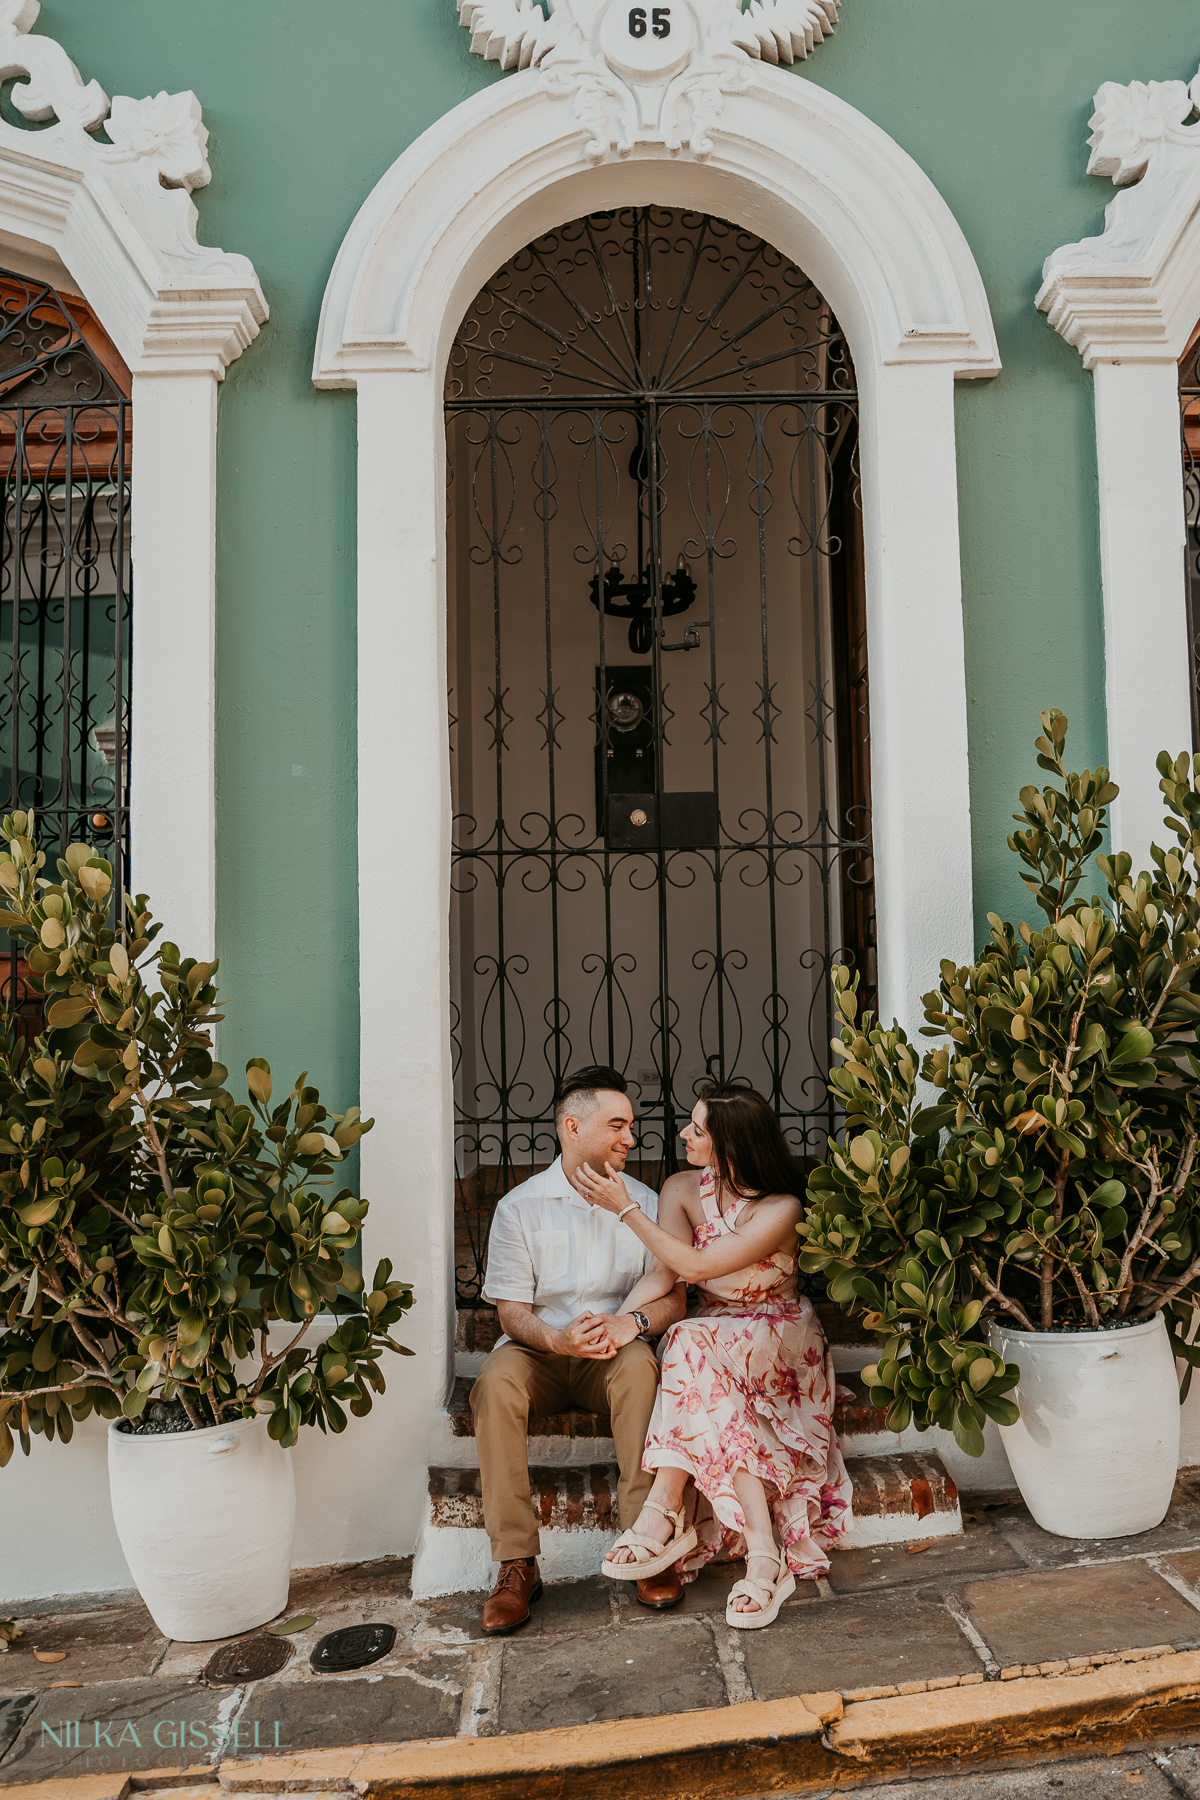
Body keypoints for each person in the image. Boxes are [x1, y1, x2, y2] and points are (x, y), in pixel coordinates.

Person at [575, 1083, 852, 1630]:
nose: (684, 1134)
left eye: (698, 1130)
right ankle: (763, 1552)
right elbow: (665, 1273)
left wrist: (626, 1209)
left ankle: (661, 1515)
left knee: (686, 1343)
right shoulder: (681, 1188)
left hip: (779, 1338)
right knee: (691, 1347)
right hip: (711, 1338)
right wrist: (616, 1328)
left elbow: (699, 1268)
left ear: (733, 1144)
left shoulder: (782, 1207)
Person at [471, 1065, 688, 1634]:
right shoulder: (520, 1207)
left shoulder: (644, 1203)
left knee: (642, 1367)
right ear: (572, 1127)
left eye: (631, 1126)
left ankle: (645, 1542)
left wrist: (630, 1323)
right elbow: (511, 1312)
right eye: (617, 1125)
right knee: (494, 1381)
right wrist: (557, 1339)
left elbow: (674, 1301)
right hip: (541, 1355)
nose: (630, 1138)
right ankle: (516, 1563)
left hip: (613, 1359)